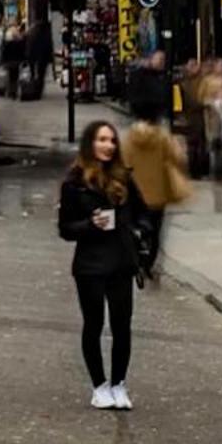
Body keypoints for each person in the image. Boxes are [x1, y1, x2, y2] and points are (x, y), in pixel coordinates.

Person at [58, 120, 141, 411]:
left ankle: (119, 383)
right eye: (101, 140)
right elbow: (65, 228)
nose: (108, 146)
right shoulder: (75, 182)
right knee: (93, 325)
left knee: (122, 326)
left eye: (112, 140)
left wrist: (139, 237)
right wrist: (89, 225)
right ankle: (99, 386)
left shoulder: (125, 178)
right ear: (90, 144)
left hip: (121, 262)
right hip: (90, 265)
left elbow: (142, 215)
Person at [122, 105, 190, 283]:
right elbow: (179, 159)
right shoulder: (162, 138)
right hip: (158, 193)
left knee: (137, 227)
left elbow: (122, 163)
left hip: (136, 193)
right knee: (156, 231)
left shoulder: (129, 138)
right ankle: (149, 264)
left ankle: (138, 257)